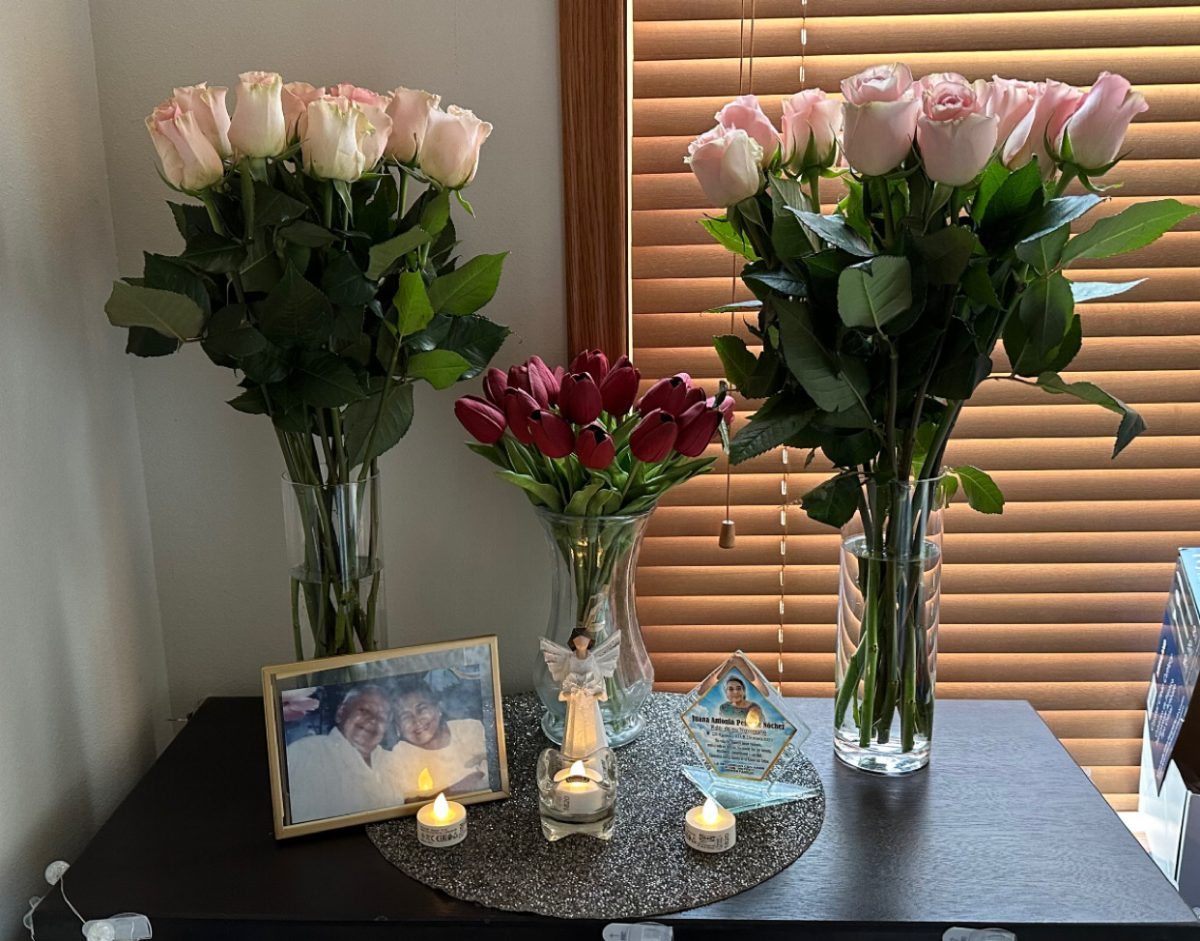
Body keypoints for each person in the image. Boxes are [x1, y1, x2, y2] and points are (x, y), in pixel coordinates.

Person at [285, 685, 399, 823]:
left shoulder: (393, 762)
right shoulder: (306, 753)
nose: (373, 720)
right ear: (341, 712)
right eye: (364, 710)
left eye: (381, 717)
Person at [385, 677, 489, 800]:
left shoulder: (469, 729)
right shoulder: (399, 756)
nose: (416, 720)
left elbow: (496, 777)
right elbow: (411, 802)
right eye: (405, 717)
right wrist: (470, 780)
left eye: (422, 709)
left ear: (438, 708)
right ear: (398, 727)